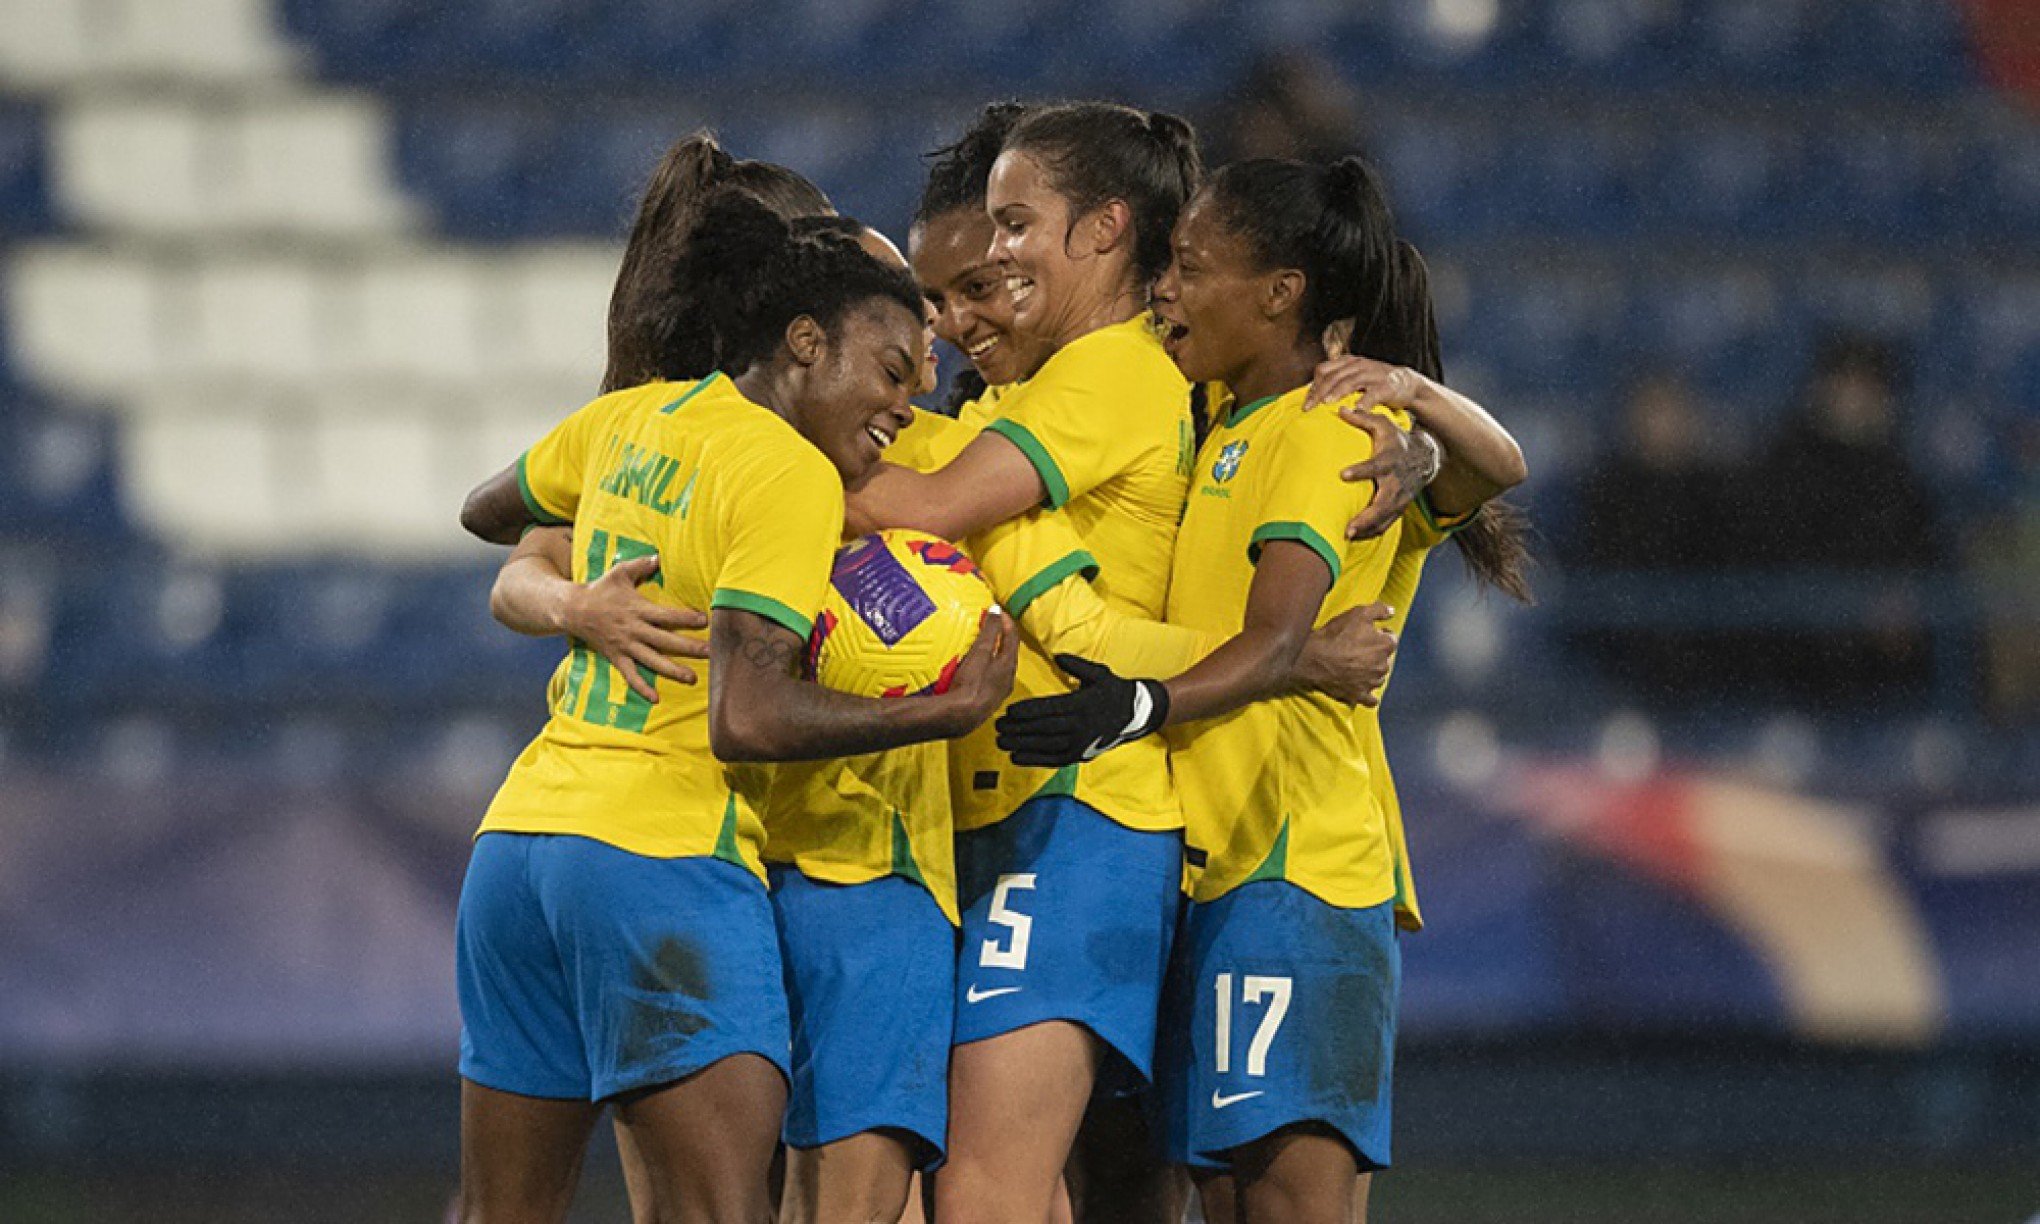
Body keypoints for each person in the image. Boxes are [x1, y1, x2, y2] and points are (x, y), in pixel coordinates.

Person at [450, 190, 1015, 1224]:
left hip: (519, 848)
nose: (904, 407)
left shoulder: (636, 416)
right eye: (892, 370)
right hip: (656, 855)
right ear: (805, 340)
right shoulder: (790, 474)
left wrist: (585, 599)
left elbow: (487, 508)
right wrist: (940, 711)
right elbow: (746, 718)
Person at [997, 156, 1530, 1223]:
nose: (1168, 289)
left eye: (1193, 269)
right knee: (1230, 1201)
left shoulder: (1332, 435)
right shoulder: (1222, 426)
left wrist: (1134, 705)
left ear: (1280, 292)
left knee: (1288, 1204)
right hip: (1218, 867)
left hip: (1296, 868)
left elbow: (1277, 636)